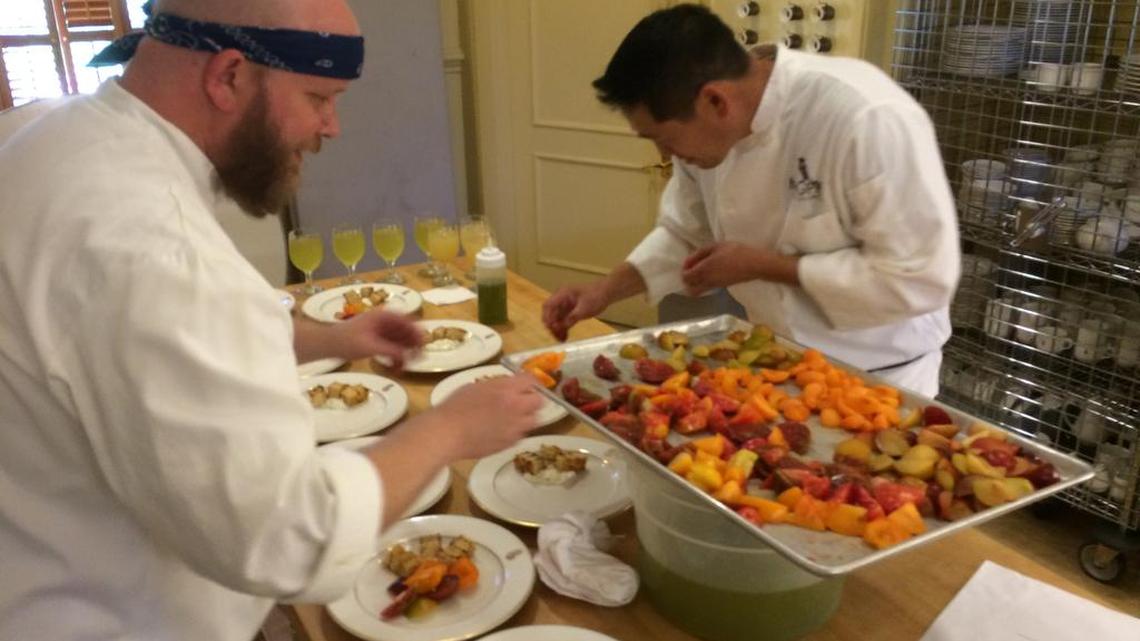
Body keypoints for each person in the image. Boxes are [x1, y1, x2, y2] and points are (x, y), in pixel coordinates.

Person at [0, 1, 540, 639]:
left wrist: (326, 338)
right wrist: (449, 430)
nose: (330, 128)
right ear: (228, 76)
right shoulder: (152, 243)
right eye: (318, 97)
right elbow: (292, 537)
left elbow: (125, 345)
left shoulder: (45, 128)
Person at [542, 4, 960, 397]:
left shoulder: (864, 117)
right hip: (777, 361)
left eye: (663, 139)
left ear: (715, 101)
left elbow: (921, 277)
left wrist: (764, 266)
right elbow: (687, 234)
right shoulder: (709, 137)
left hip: (882, 375)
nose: (664, 157)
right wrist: (603, 292)